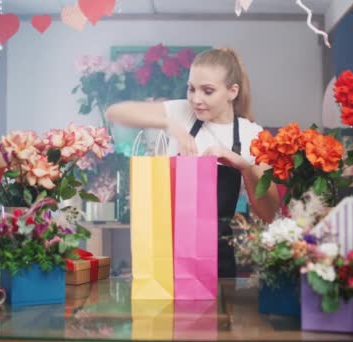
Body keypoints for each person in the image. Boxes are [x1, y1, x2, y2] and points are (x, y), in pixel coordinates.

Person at [106, 47, 280, 277]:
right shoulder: (182, 112)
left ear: (232, 91)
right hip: (166, 257)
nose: (196, 99)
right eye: (191, 89)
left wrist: (243, 166)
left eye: (207, 91)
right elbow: (115, 112)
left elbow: (270, 212)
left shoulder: (251, 136)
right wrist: (168, 125)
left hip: (218, 261)